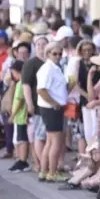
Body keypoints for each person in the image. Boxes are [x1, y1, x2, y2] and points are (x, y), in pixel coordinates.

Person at [37, 42, 70, 182]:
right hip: (51, 108)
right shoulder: (48, 68)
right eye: (54, 53)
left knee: (50, 141)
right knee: (56, 141)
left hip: (51, 107)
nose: (57, 56)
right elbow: (41, 89)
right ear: (48, 54)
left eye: (59, 54)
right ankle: (52, 172)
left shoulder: (55, 68)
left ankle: (45, 171)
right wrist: (54, 103)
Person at [22, 35, 49, 172]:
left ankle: (47, 163)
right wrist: (30, 104)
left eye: (44, 44)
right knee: (40, 135)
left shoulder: (50, 62)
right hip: (38, 104)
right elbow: (26, 85)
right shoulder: (31, 63)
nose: (41, 47)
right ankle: (44, 165)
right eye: (38, 44)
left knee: (48, 136)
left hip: (50, 104)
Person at [8, 60, 30, 172]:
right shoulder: (19, 83)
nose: (13, 75)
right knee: (20, 139)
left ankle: (23, 160)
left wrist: (13, 115)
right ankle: (20, 159)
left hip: (21, 116)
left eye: (14, 72)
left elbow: (21, 101)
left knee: (23, 139)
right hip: (19, 116)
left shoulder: (22, 83)